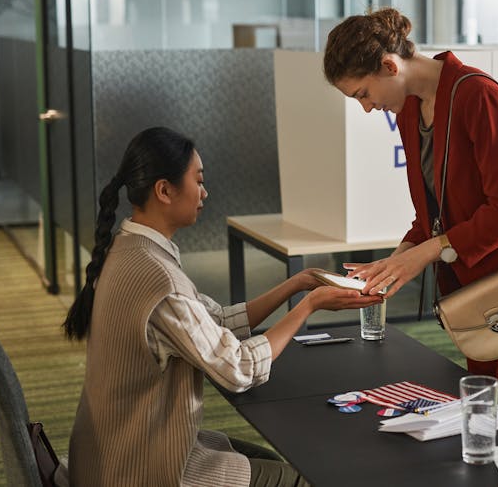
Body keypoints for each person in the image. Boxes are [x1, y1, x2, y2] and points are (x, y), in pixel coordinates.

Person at [63, 127, 381, 487]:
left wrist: (298, 283)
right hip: (140, 467)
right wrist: (308, 306)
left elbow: (214, 321)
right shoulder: (158, 280)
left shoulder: (129, 249)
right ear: (164, 190)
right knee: (298, 478)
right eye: (197, 181)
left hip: (112, 450)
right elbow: (237, 369)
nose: (205, 193)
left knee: (270, 460)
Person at [323, 8, 498, 421]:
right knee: (484, 417)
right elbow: (434, 215)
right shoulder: (411, 110)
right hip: (482, 287)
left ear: (390, 66)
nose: (368, 108)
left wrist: (423, 254)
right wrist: (395, 262)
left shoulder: (480, 96)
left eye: (363, 94)